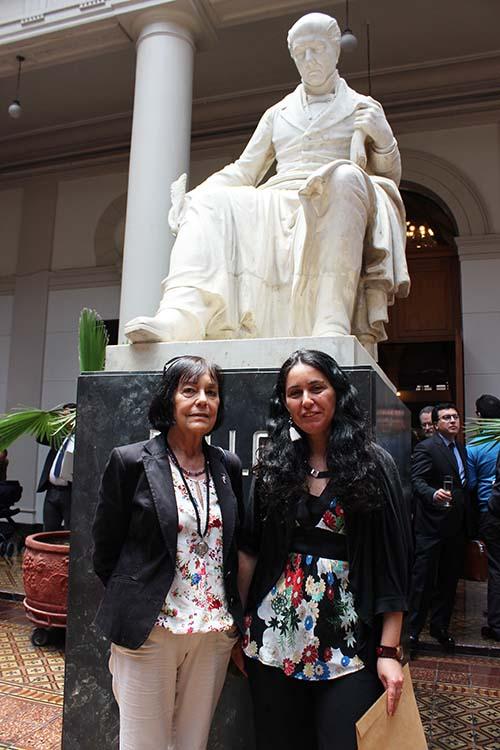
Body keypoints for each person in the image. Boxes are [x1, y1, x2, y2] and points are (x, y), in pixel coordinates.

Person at [125, 12, 409, 355]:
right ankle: (183, 312)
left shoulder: (363, 107)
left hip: (333, 195)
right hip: (278, 196)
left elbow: (387, 176)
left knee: (346, 177)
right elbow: (245, 170)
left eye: (317, 49)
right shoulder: (279, 112)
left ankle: (330, 319)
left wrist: (384, 139)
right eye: (301, 53)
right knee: (209, 202)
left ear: (335, 51)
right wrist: (196, 196)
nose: (309, 59)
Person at [237, 349, 412, 750]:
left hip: (349, 644)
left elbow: (393, 562)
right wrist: (240, 623)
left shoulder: (373, 464)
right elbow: (250, 548)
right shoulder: (276, 463)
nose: (306, 401)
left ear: (337, 393)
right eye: (294, 392)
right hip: (272, 638)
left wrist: (388, 649)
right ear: (284, 404)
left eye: (317, 388)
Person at [92, 356, 244, 750]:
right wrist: (136, 598)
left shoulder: (227, 464)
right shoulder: (130, 461)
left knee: (192, 743)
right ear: (169, 400)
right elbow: (105, 549)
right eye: (189, 390)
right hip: (151, 630)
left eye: (211, 392)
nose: (202, 401)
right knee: (144, 743)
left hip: (212, 631)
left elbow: (233, 543)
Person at [409, 403, 469, 652]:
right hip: (431, 526)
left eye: (455, 416)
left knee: (449, 579)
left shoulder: (461, 449)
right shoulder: (427, 448)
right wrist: (433, 494)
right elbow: (416, 480)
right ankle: (412, 632)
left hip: (456, 527)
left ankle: (440, 627)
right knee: (422, 581)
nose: (453, 421)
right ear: (436, 424)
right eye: (446, 418)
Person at [467, 394, 500, 641]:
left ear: (478, 416)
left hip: (492, 511)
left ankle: (496, 622)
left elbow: (471, 483)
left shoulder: (476, 446)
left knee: (496, 568)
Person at [36, 403, 76, 531]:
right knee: (48, 531)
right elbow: (40, 437)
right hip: (52, 491)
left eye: (67, 415)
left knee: (71, 531)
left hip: (71, 492)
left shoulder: (81, 438)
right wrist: (51, 418)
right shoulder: (59, 436)